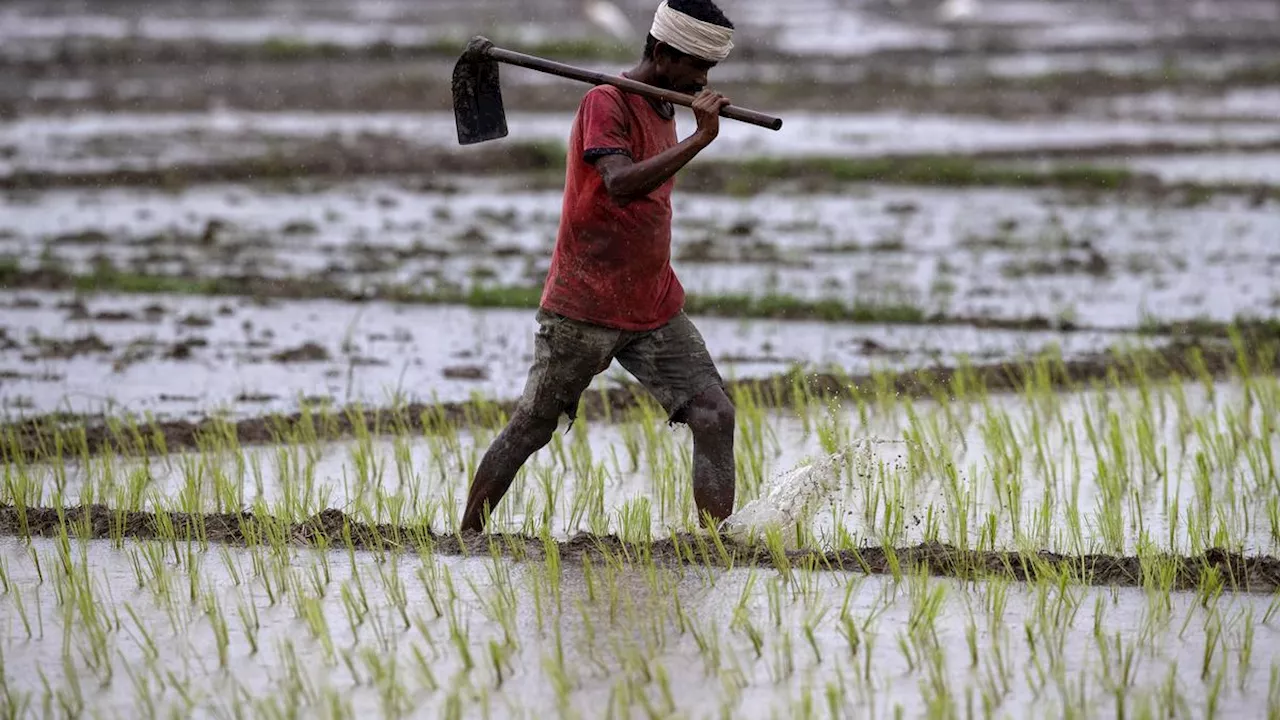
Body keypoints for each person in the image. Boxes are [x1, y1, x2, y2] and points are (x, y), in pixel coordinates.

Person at [460, 0, 739, 533]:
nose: (703, 82)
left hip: (653, 304)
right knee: (533, 427)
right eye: (695, 70)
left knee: (714, 414)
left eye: (710, 73)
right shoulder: (605, 103)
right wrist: (700, 139)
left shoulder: (664, 104)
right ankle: (467, 535)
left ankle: (715, 547)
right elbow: (620, 184)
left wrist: (690, 129)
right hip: (585, 304)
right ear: (660, 53)